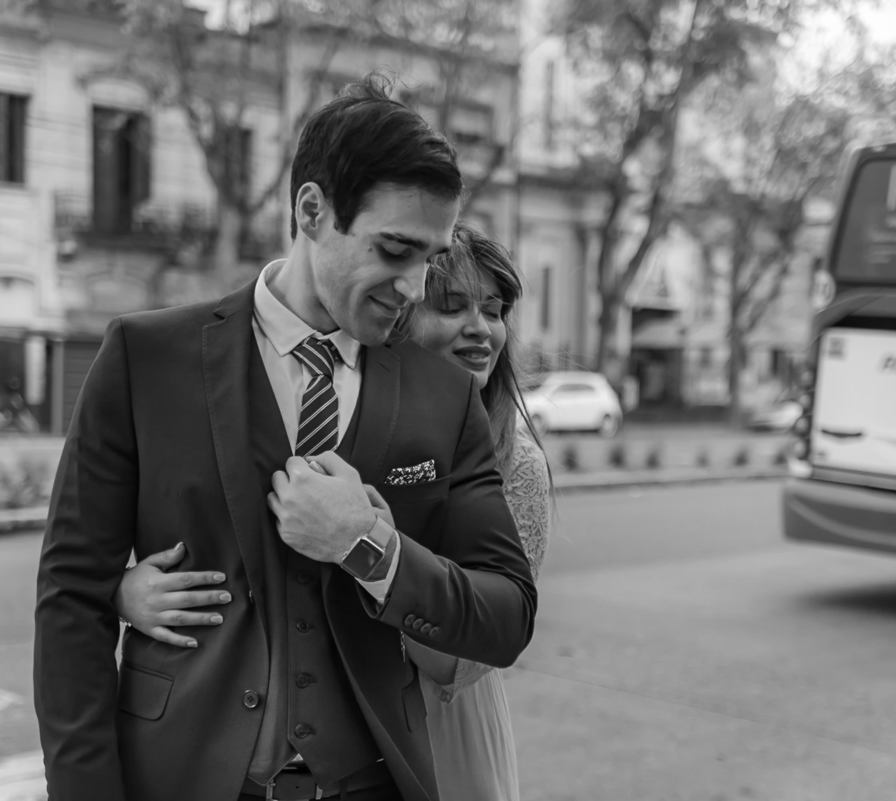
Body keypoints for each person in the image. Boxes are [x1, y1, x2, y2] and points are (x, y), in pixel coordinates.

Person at [33, 75, 536, 801]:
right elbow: (71, 599)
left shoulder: (443, 394)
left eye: (429, 256)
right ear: (311, 210)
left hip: (371, 783)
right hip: (176, 776)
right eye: (394, 249)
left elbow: (507, 615)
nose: (414, 284)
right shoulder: (146, 359)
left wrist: (372, 547)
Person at [117, 224, 552, 801]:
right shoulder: (320, 394)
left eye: (495, 311)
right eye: (451, 306)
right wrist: (122, 591)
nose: (480, 328)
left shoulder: (514, 461)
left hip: (433, 725)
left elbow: (469, 656)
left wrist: (368, 548)